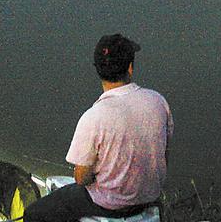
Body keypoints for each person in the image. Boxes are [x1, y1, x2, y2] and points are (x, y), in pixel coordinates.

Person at [24, 34, 173, 222]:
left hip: (108, 205)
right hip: (148, 199)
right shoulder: (158, 102)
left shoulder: (94, 117)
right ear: (130, 68)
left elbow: (81, 178)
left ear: (98, 70)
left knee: (33, 214)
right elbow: (163, 155)